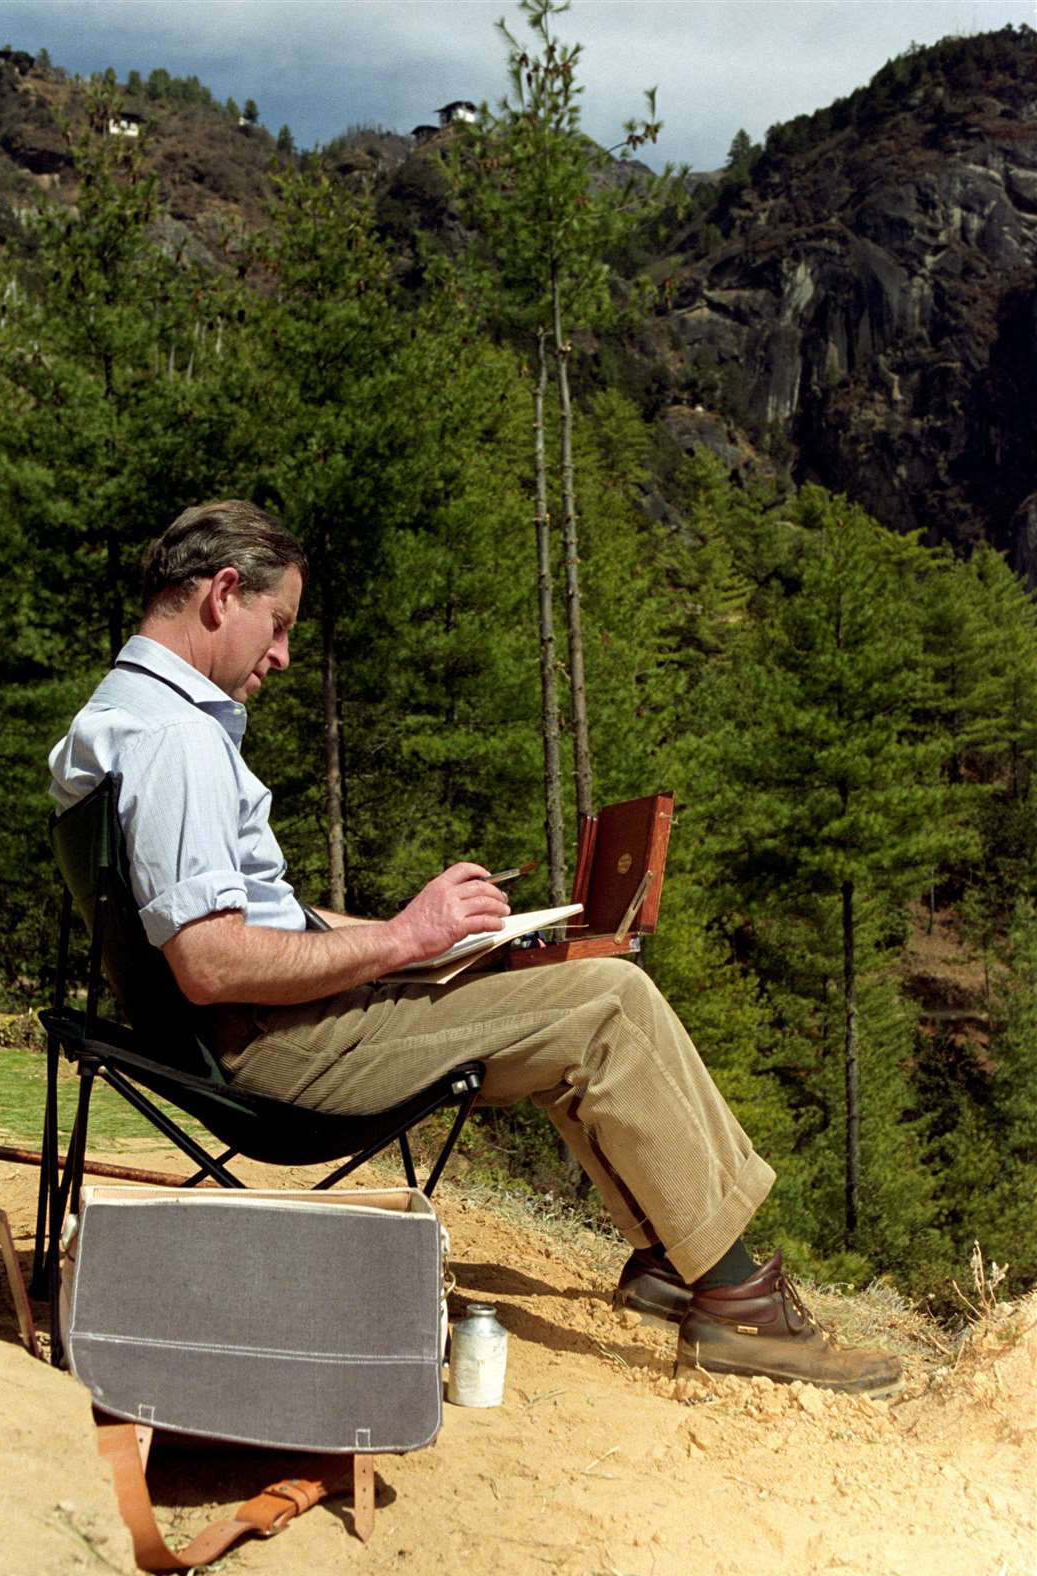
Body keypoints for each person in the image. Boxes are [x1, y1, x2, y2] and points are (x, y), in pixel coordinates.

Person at [49, 500, 901, 1397]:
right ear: (224, 593)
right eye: (280, 623)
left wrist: (428, 944)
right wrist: (404, 937)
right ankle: (738, 1307)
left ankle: (669, 1255)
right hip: (278, 1055)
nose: (283, 655)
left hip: (257, 1034)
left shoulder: (119, 718)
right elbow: (212, 961)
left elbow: (256, 923)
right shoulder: (177, 738)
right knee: (608, 1001)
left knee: (552, 988)